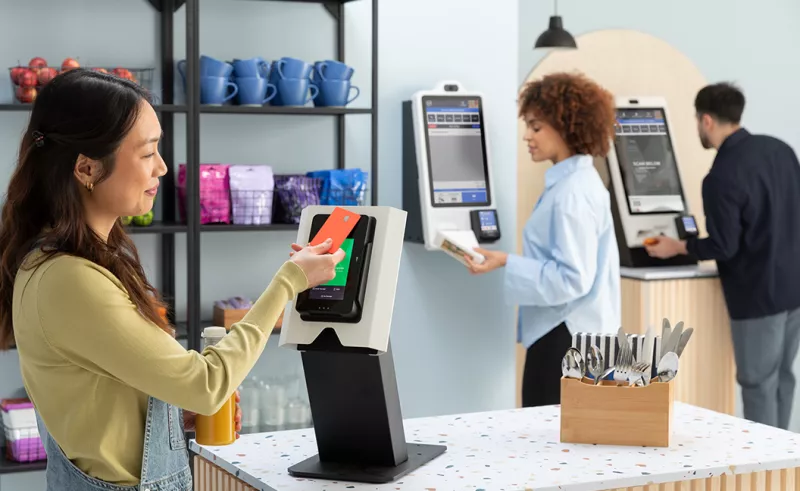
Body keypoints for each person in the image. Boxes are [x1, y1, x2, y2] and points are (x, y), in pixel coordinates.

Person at [0, 68, 345, 491]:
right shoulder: (70, 279)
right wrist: (289, 281)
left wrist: (165, 410)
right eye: (147, 153)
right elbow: (207, 384)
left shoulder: (65, 260)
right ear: (87, 167)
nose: (162, 167)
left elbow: (97, 392)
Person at [645, 82, 800, 430]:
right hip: (794, 288)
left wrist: (680, 246)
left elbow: (724, 246)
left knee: (758, 383)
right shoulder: (782, 151)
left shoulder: (720, 176)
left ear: (707, 121)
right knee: (783, 378)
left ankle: (764, 471)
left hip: (758, 296)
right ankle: (788, 464)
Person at [467, 72, 621, 407]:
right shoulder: (577, 182)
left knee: (548, 446)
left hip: (564, 341)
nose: (527, 136)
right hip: (572, 336)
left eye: (536, 127)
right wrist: (506, 260)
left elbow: (572, 278)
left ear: (566, 127)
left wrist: (508, 261)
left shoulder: (572, 194)